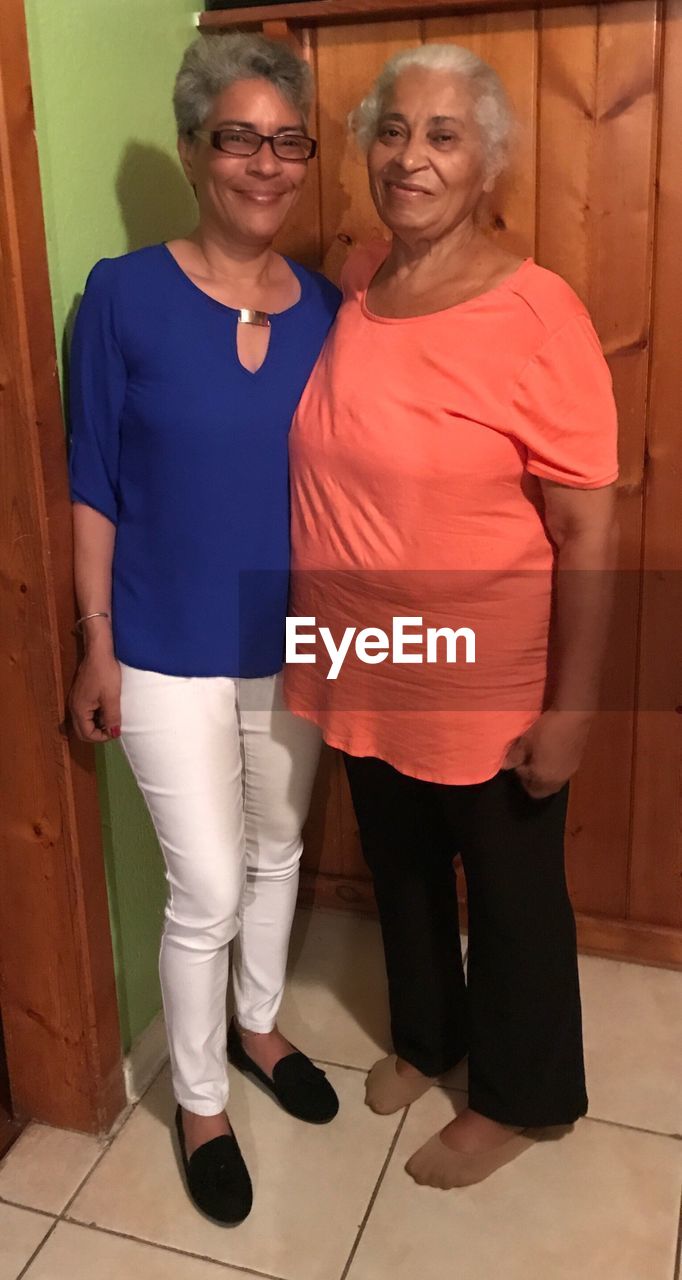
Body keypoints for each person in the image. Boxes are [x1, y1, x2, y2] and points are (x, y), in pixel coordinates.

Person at [285, 43, 618, 1190]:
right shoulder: (362, 275)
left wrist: (570, 707)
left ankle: (526, 1096)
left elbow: (587, 530)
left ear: (486, 166)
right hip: (365, 653)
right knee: (402, 866)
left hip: (491, 671)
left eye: (442, 134)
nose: (409, 155)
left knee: (515, 893)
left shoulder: (537, 311)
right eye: (393, 130)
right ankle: (431, 1038)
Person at [68, 32, 340, 1225]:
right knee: (211, 882)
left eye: (287, 141)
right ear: (194, 149)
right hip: (161, 640)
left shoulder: (332, 309)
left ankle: (261, 1027)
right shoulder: (120, 293)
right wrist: (91, 635)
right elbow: (92, 481)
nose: (265, 164)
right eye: (239, 137)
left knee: (281, 850)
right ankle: (197, 1100)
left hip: (294, 639)